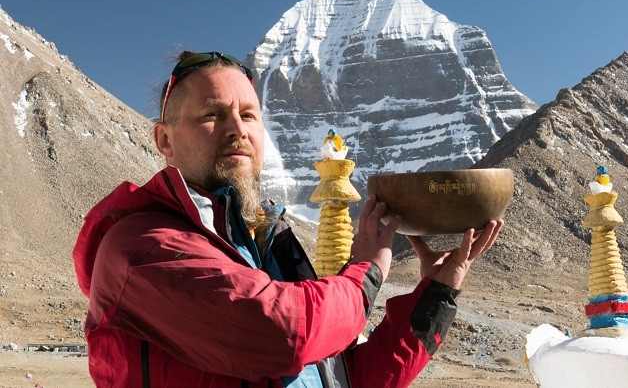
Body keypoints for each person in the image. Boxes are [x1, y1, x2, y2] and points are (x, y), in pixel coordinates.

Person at [73, 51, 504, 387]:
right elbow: (280, 332)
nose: (237, 129)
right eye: (212, 115)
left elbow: (343, 378)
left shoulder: (266, 241)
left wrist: (437, 293)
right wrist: (366, 273)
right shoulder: (143, 245)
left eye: (248, 115)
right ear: (165, 140)